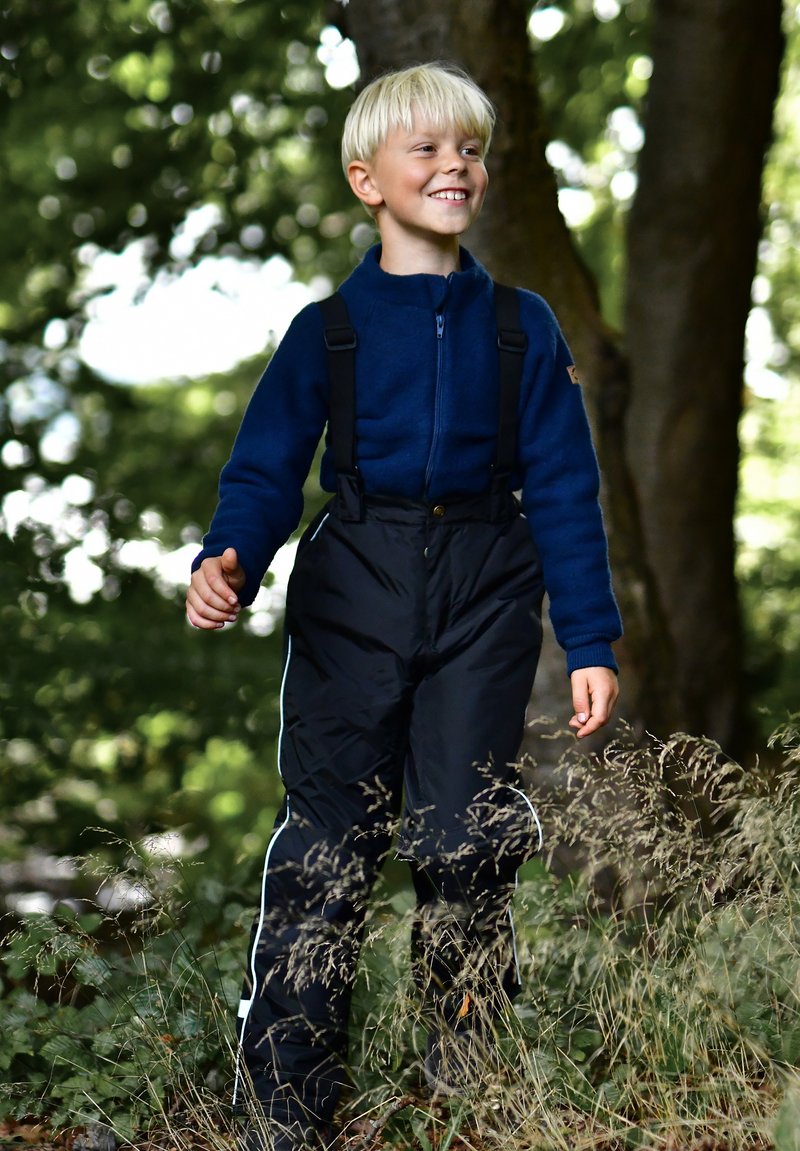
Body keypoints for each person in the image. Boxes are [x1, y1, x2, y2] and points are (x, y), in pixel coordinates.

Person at [186, 62, 621, 1151]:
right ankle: (288, 1100)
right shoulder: (323, 331)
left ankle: (469, 1082)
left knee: (463, 834)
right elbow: (263, 471)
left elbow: (565, 488)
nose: (451, 166)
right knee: (328, 840)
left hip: (485, 582)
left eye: (467, 148)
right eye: (423, 149)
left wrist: (589, 636)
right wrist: (228, 554)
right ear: (364, 179)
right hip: (354, 583)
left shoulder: (521, 328)